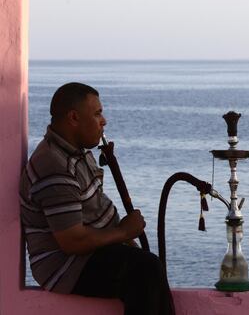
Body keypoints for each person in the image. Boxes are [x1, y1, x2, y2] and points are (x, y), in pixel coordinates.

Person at [19, 82, 173, 315]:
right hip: (66, 267)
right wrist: (124, 232)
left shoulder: (75, 153)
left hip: (87, 255)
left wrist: (125, 241)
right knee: (146, 271)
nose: (104, 121)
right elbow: (72, 241)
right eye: (97, 113)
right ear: (74, 118)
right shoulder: (53, 165)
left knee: (147, 267)